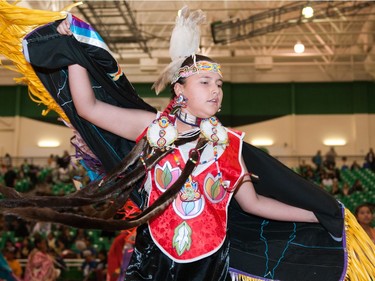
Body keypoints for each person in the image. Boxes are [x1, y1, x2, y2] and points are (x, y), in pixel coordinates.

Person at [1, 3, 375, 281]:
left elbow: (255, 203)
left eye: (220, 84)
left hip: (212, 265)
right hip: (153, 260)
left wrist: (317, 213)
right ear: (179, 89)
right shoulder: (152, 127)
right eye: (206, 83)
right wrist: (74, 53)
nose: (216, 91)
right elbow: (88, 106)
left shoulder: (230, 145)